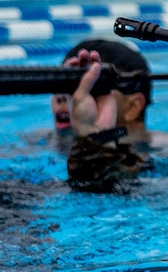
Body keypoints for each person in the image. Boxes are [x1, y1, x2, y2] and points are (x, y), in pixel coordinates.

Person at [54, 39, 154, 189]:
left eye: (90, 86)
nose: (65, 96)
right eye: (68, 85)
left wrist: (96, 141)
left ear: (133, 106)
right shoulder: (45, 142)